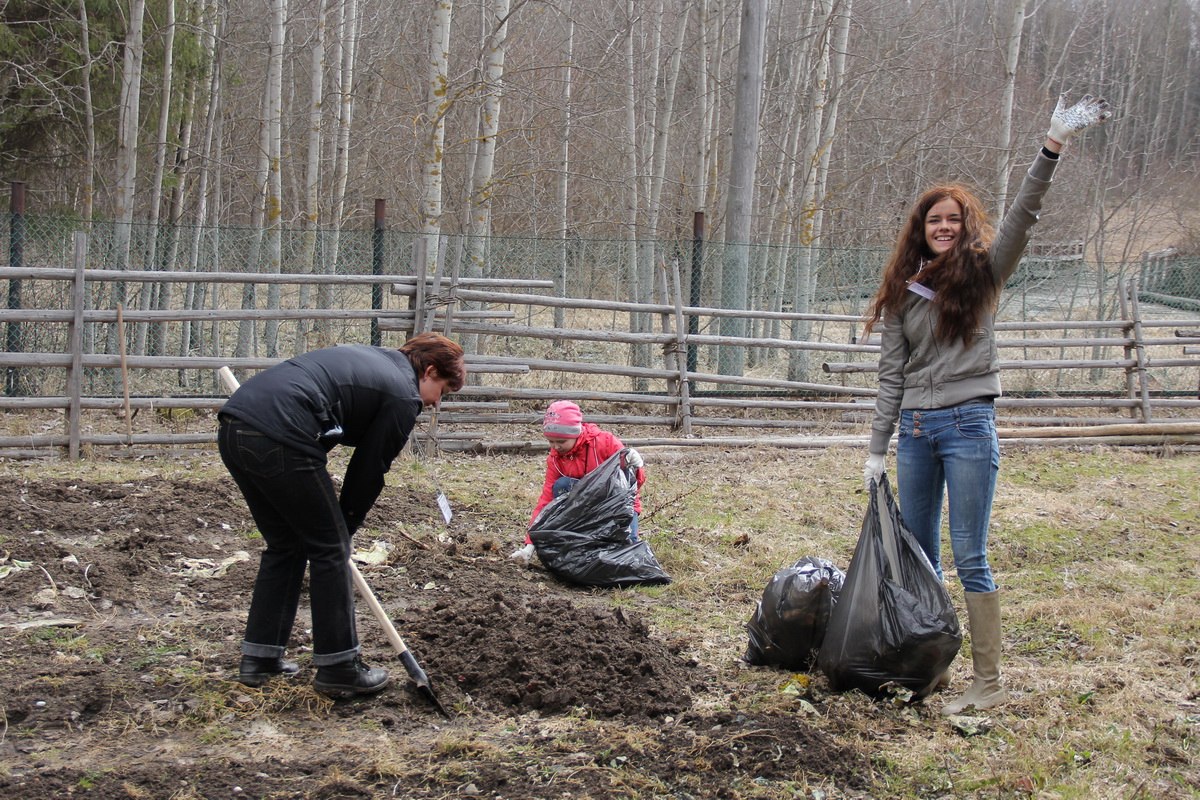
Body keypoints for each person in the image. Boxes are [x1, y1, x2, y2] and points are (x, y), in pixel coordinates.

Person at [861, 93, 1111, 715]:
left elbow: (1025, 216)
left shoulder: (985, 274)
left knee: (969, 552)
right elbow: (892, 376)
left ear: (964, 225)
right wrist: (875, 448)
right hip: (916, 431)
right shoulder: (903, 292)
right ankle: (932, 665)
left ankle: (989, 682)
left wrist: (1049, 149)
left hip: (970, 425)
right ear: (920, 230)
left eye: (952, 219)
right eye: (932, 221)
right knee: (920, 551)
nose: (942, 227)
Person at [218, 333, 465, 697]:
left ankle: (260, 658)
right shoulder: (402, 394)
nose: (435, 403)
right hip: (282, 434)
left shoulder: (376, 362)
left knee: (285, 545)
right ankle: (339, 667)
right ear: (429, 371)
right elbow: (370, 468)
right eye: (442, 390)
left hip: (236, 427)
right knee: (329, 550)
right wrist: (342, 530)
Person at [509, 400, 645, 563]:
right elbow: (546, 501)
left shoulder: (605, 442)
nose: (556, 447)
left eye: (561, 441)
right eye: (551, 441)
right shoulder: (555, 460)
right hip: (585, 511)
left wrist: (637, 466)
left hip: (616, 506)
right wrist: (530, 544)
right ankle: (579, 540)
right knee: (562, 485)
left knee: (628, 553)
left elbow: (632, 485)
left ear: (575, 433)